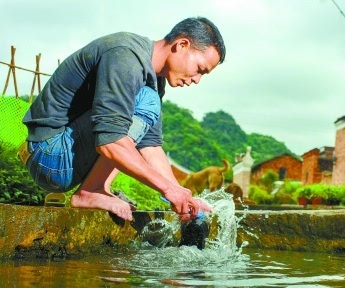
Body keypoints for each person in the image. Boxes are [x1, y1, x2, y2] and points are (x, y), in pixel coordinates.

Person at [19, 17, 225, 221]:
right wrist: (168, 188)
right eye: (199, 69)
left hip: (60, 157)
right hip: (49, 154)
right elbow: (111, 141)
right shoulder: (126, 56)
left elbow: (150, 146)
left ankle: (97, 188)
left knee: (146, 100)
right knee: (146, 100)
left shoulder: (153, 80)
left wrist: (181, 196)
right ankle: (91, 191)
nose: (197, 80)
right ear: (182, 45)